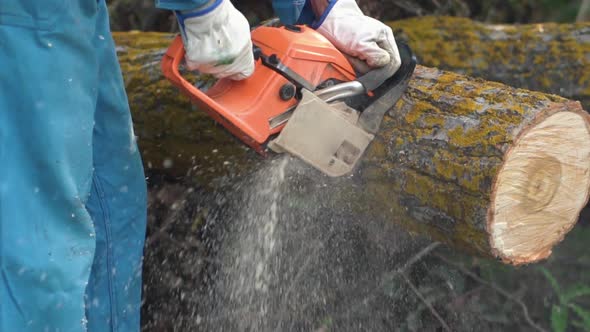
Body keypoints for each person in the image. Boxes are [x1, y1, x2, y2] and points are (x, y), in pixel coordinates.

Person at [0, 0, 400, 331]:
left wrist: (323, 10)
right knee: (40, 235)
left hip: (69, 13)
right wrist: (202, 7)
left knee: (110, 203)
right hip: (21, 16)